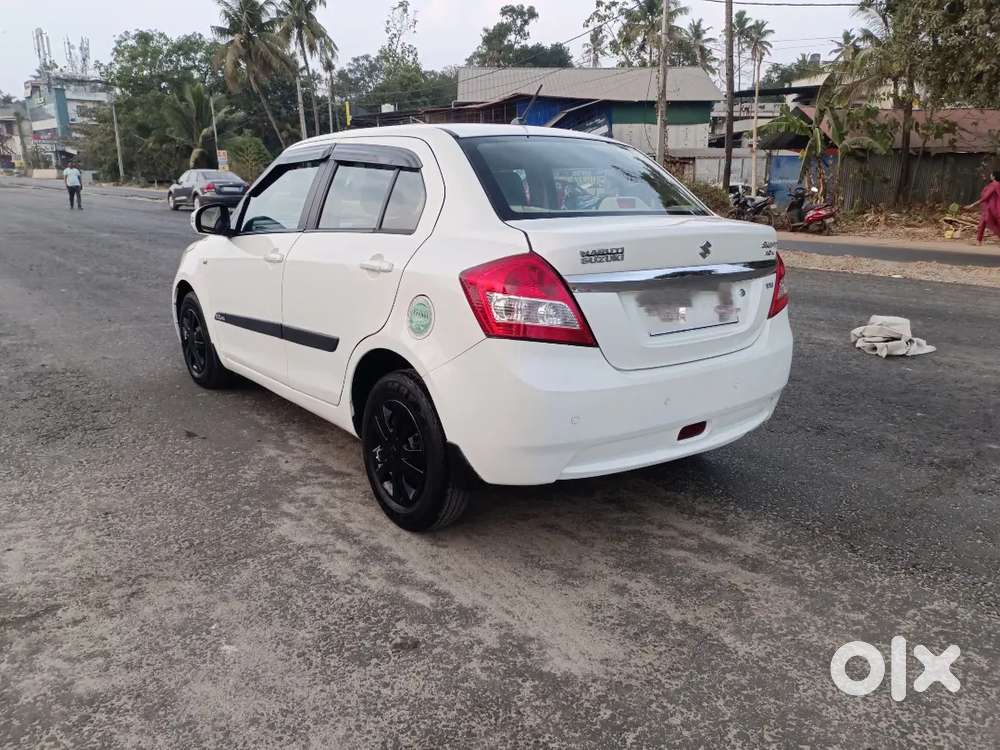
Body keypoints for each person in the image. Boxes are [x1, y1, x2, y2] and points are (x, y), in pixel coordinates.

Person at [966, 169, 1000, 245]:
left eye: (991, 175)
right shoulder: (996, 184)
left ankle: (978, 241)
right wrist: (984, 179)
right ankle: (978, 241)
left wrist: (972, 205)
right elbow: (989, 187)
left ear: (994, 177)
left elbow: (985, 197)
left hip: (991, 209)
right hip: (991, 208)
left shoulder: (994, 185)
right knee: (983, 224)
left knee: (989, 224)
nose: (990, 176)